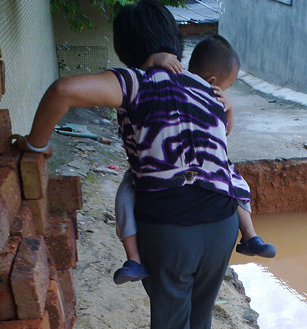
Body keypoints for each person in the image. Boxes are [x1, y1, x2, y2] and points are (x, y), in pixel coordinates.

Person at [15, 2, 252, 329]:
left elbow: (63, 90)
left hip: (173, 230)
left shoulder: (136, 81)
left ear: (125, 48)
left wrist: (35, 146)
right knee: (196, 318)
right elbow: (222, 133)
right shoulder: (206, 87)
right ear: (174, 42)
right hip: (224, 222)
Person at [110, 14, 275, 285]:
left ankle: (134, 259)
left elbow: (222, 133)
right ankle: (249, 235)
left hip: (164, 174)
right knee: (233, 180)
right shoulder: (187, 90)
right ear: (212, 79)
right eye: (226, 87)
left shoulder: (151, 85)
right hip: (189, 180)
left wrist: (229, 109)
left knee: (126, 195)